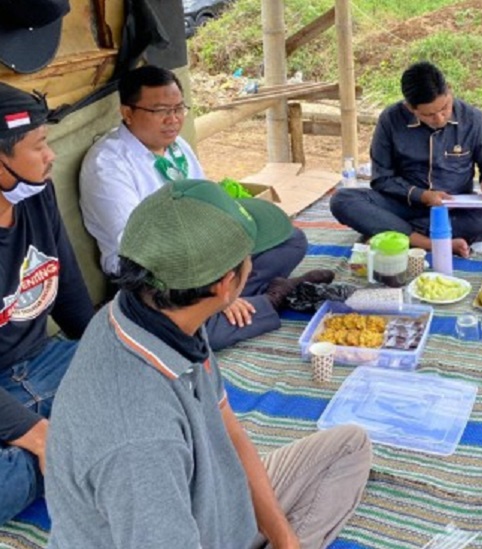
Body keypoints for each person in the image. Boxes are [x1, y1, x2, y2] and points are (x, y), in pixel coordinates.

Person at [46, 179, 372, 549]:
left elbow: (230, 434)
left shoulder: (157, 310)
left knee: (351, 445)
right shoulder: (141, 442)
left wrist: (285, 539)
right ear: (226, 284)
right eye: (252, 256)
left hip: (211, 506)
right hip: (179, 530)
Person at [79, 65, 331, 351]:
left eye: (179, 108)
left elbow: (209, 207)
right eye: (161, 110)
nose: (173, 119)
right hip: (154, 276)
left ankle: (231, 299)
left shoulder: (178, 148)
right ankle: (274, 297)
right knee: (194, 336)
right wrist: (216, 282)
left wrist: (223, 262)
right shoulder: (108, 164)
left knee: (290, 239)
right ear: (128, 113)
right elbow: (135, 251)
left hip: (203, 256)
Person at [0, 83, 94, 524]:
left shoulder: (38, 193)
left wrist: (110, 352)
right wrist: (36, 435)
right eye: (38, 146)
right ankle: (78, 445)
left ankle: (72, 447)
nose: (51, 155)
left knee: (149, 373)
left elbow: (71, 294)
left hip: (43, 362)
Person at [329, 61, 482, 258]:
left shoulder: (472, 119)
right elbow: (381, 178)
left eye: (444, 108)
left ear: (450, 91)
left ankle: (390, 232)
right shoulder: (391, 120)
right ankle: (428, 242)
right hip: (402, 205)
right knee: (342, 199)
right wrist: (422, 196)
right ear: (410, 107)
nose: (439, 118)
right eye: (428, 115)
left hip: (452, 210)